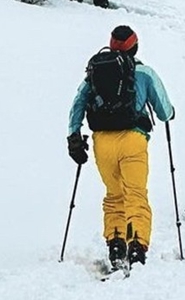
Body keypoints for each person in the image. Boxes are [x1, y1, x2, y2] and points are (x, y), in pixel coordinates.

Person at [68, 25, 175, 270]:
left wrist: (74, 136)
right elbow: (164, 111)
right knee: (136, 195)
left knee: (114, 195)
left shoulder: (94, 73)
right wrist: (170, 113)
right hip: (133, 140)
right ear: (135, 47)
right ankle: (137, 247)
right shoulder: (144, 73)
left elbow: (78, 103)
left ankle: (116, 246)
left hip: (102, 142)